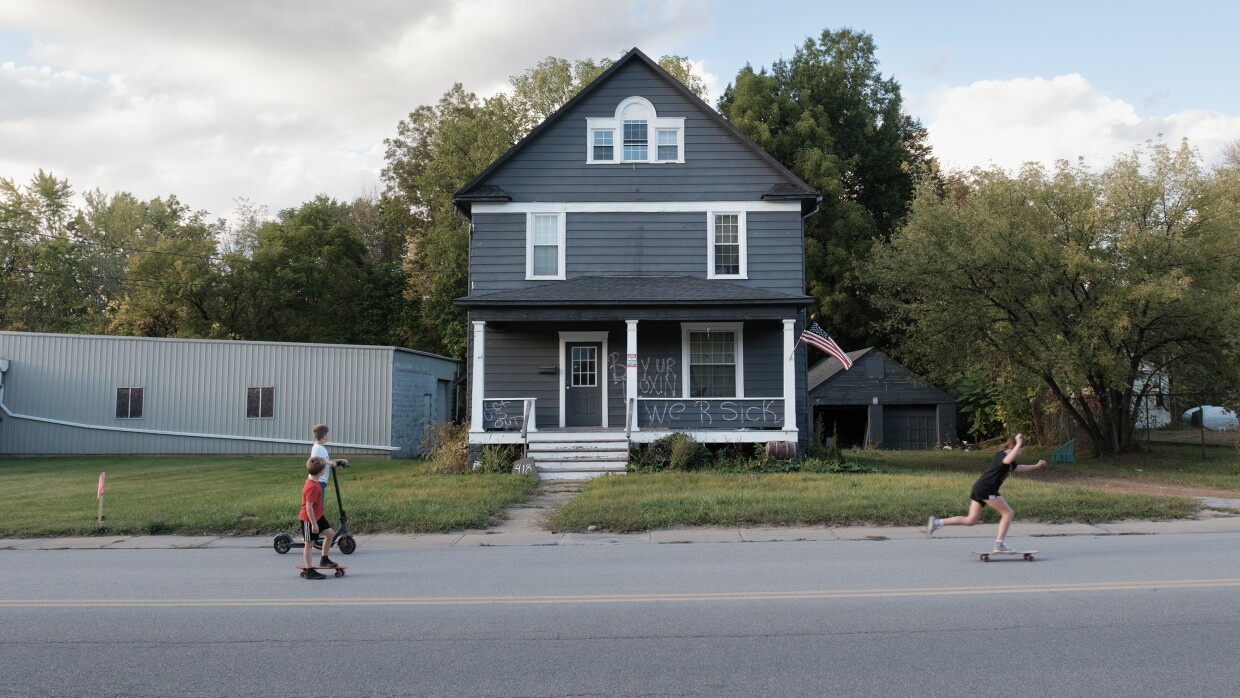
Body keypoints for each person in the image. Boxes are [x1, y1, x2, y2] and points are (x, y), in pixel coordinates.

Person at [925, 433, 1047, 552]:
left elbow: (1018, 468)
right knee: (1008, 513)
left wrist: (1036, 466)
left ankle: (937, 523)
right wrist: (1019, 443)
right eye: (1021, 449)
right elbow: (1007, 460)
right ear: (1016, 447)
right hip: (987, 488)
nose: (1021, 452)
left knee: (970, 520)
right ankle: (999, 544)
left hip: (980, 487)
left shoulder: (1009, 460)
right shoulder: (1002, 455)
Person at [299, 456, 338, 579]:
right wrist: (314, 524)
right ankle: (309, 570)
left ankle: (324, 559)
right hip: (309, 519)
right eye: (324, 468)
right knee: (309, 544)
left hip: (318, 516)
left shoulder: (313, 482)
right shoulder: (312, 487)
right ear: (321, 471)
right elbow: (308, 507)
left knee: (330, 534)